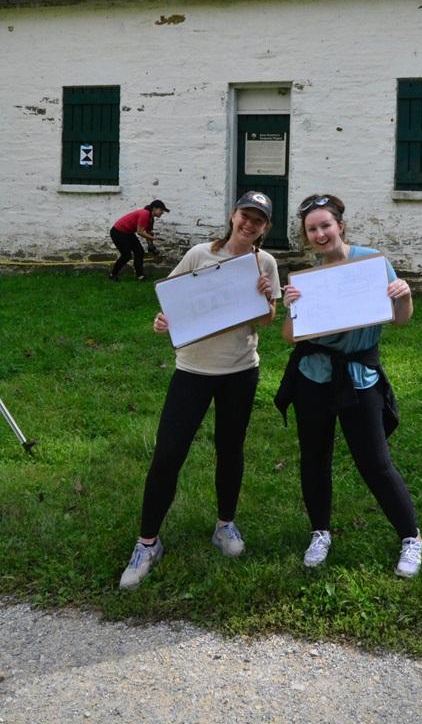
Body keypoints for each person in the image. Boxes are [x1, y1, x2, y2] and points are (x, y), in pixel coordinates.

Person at [119, 190, 281, 590]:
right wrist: (162, 321)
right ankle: (147, 543)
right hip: (192, 370)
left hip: (240, 371)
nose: (249, 224)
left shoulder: (265, 263)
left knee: (230, 449)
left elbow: (266, 321)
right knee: (169, 453)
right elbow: (172, 301)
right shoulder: (199, 255)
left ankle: (225, 526)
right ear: (232, 215)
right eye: (245, 215)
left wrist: (264, 299)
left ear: (265, 228)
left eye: (258, 220)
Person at [275, 193, 422, 579]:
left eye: (326, 225)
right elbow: (290, 337)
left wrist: (404, 296)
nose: (320, 234)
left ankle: (411, 537)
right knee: (314, 457)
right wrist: (292, 306)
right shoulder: (309, 280)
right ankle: (320, 532)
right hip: (313, 375)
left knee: (374, 460)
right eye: (312, 229)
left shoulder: (372, 263)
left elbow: (401, 320)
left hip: (359, 377)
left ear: (340, 225)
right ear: (306, 236)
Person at [109, 200, 170, 281]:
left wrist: (151, 246)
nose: (162, 213)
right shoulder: (144, 213)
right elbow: (140, 232)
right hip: (118, 232)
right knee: (126, 255)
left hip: (128, 233)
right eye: (161, 210)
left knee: (139, 252)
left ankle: (140, 276)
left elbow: (148, 233)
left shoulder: (151, 219)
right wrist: (154, 239)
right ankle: (113, 275)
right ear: (154, 208)